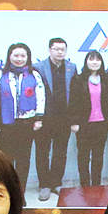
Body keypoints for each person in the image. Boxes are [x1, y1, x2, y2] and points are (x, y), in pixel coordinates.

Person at [0, 42, 48, 197]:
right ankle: (6, 194)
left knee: (23, 161)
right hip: (5, 124)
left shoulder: (34, 74)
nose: (19, 59)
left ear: (28, 57)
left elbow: (41, 97)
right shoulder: (0, 75)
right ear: (9, 56)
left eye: (23, 56)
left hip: (26, 123)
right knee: (6, 161)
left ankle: (19, 194)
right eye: (16, 55)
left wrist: (39, 118)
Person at [31, 37, 77, 202]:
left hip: (64, 117)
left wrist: (73, 118)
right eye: (56, 49)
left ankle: (56, 182)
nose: (59, 52)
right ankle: (44, 185)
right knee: (42, 152)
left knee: (60, 152)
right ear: (49, 50)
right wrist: (37, 117)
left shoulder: (72, 67)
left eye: (62, 49)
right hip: (44, 118)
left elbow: (75, 93)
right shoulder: (38, 67)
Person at [68, 49, 108, 188]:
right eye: (91, 59)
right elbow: (73, 102)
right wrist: (74, 122)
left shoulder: (107, 79)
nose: (94, 62)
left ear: (101, 62)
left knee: (98, 155)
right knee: (83, 155)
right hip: (84, 124)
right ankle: (85, 185)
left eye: (97, 59)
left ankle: (96, 185)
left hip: (101, 123)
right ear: (86, 62)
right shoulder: (78, 79)